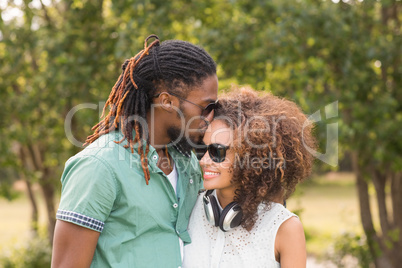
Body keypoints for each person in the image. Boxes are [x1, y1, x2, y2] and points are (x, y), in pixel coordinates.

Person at [51, 35, 218, 267]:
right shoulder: (99, 166)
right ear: (167, 102)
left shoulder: (187, 162)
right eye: (207, 106)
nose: (211, 117)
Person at [183, 87, 316, 268]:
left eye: (217, 151)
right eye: (200, 149)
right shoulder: (188, 206)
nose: (204, 160)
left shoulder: (285, 228)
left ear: (250, 157)